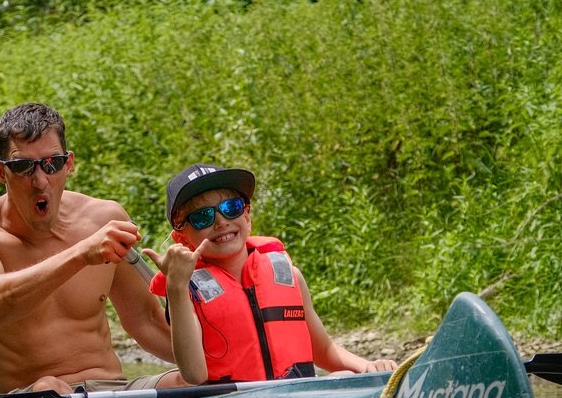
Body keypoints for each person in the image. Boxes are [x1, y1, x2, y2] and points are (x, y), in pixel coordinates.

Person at [0, 102, 178, 398]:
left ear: (68, 165)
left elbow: (147, 322)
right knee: (48, 389)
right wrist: (80, 254)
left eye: (51, 164)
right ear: (0, 171)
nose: (40, 181)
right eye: (24, 167)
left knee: (192, 381)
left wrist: (227, 359)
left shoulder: (102, 218)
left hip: (111, 392)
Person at [142, 163, 398, 385]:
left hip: (293, 397)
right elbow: (194, 374)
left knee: (342, 377)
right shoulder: (184, 291)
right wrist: (176, 286)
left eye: (231, 207)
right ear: (181, 237)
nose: (221, 221)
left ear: (247, 215)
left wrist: (368, 367)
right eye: (202, 217)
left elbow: (325, 350)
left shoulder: (290, 276)